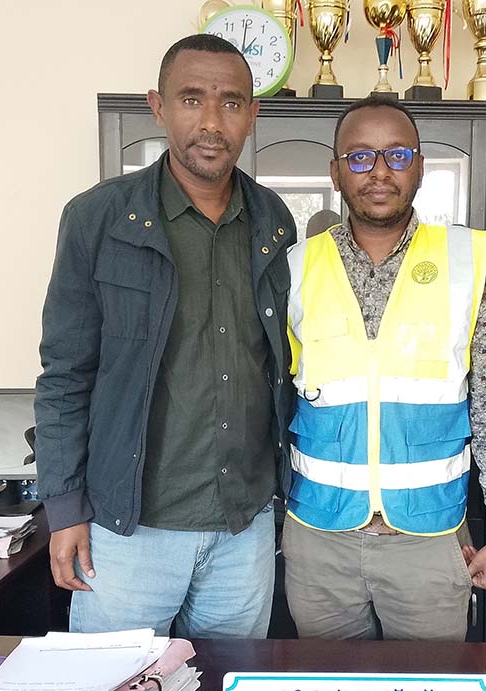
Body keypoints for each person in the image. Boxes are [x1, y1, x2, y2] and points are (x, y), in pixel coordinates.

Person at [34, 35, 297, 639]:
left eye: (232, 103)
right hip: (128, 531)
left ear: (252, 114)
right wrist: (65, 508)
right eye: (191, 99)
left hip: (245, 528)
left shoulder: (273, 222)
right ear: (159, 106)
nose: (211, 122)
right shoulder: (98, 218)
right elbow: (65, 374)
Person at [281, 95, 486, 641]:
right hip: (319, 537)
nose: (379, 172)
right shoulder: (294, 269)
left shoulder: (468, 264)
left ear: (419, 168)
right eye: (360, 157)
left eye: (397, 155)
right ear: (336, 173)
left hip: (430, 539)